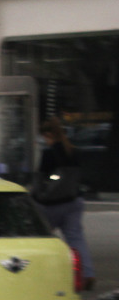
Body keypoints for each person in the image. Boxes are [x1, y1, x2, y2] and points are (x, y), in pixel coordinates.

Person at [35, 117, 95, 290]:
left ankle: (43, 274)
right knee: (76, 239)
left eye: (43, 136)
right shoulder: (73, 151)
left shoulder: (48, 154)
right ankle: (87, 275)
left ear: (48, 134)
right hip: (74, 200)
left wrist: (35, 197)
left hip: (52, 204)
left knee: (43, 236)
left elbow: (41, 180)